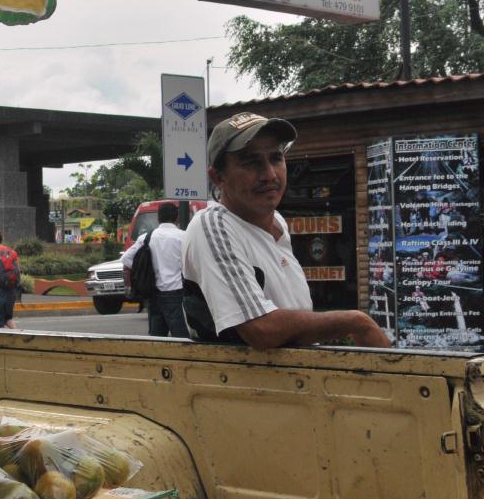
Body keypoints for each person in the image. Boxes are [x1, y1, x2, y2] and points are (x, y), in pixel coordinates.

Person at [182, 112, 391, 350]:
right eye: (251, 162)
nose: (269, 175)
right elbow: (261, 330)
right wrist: (355, 322)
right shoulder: (213, 225)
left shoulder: (278, 224)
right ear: (217, 176)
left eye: (276, 158)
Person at [120, 202, 187, 338]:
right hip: (177, 293)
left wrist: (145, 270)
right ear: (177, 218)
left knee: (157, 339)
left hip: (153, 294)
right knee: (182, 337)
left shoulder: (146, 238)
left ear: (158, 218)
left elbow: (126, 258)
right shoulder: (183, 237)